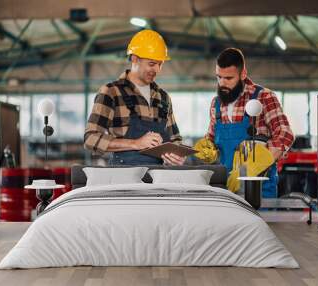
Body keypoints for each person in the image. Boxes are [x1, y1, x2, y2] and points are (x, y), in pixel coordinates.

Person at [84, 29, 186, 166]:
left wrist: (177, 154)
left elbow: (175, 138)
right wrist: (135, 143)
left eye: (160, 64)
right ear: (134, 59)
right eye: (151, 64)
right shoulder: (111, 92)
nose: (156, 69)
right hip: (123, 178)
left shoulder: (163, 97)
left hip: (157, 178)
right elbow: (90, 139)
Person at [204, 48, 294, 198]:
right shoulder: (216, 103)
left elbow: (285, 134)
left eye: (229, 78)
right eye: (218, 77)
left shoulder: (263, 97)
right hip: (227, 189)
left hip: (259, 189)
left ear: (243, 74)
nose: (222, 83)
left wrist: (255, 164)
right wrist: (206, 148)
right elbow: (212, 139)